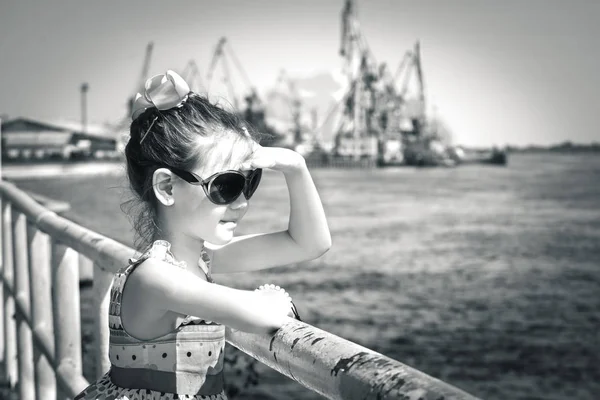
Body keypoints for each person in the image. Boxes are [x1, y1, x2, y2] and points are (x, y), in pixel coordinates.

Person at [75, 70, 332, 400]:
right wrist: (274, 297)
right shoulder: (155, 277)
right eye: (226, 186)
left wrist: (294, 166)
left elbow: (310, 244)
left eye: (249, 183)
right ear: (167, 187)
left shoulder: (198, 259)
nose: (241, 203)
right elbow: (261, 315)